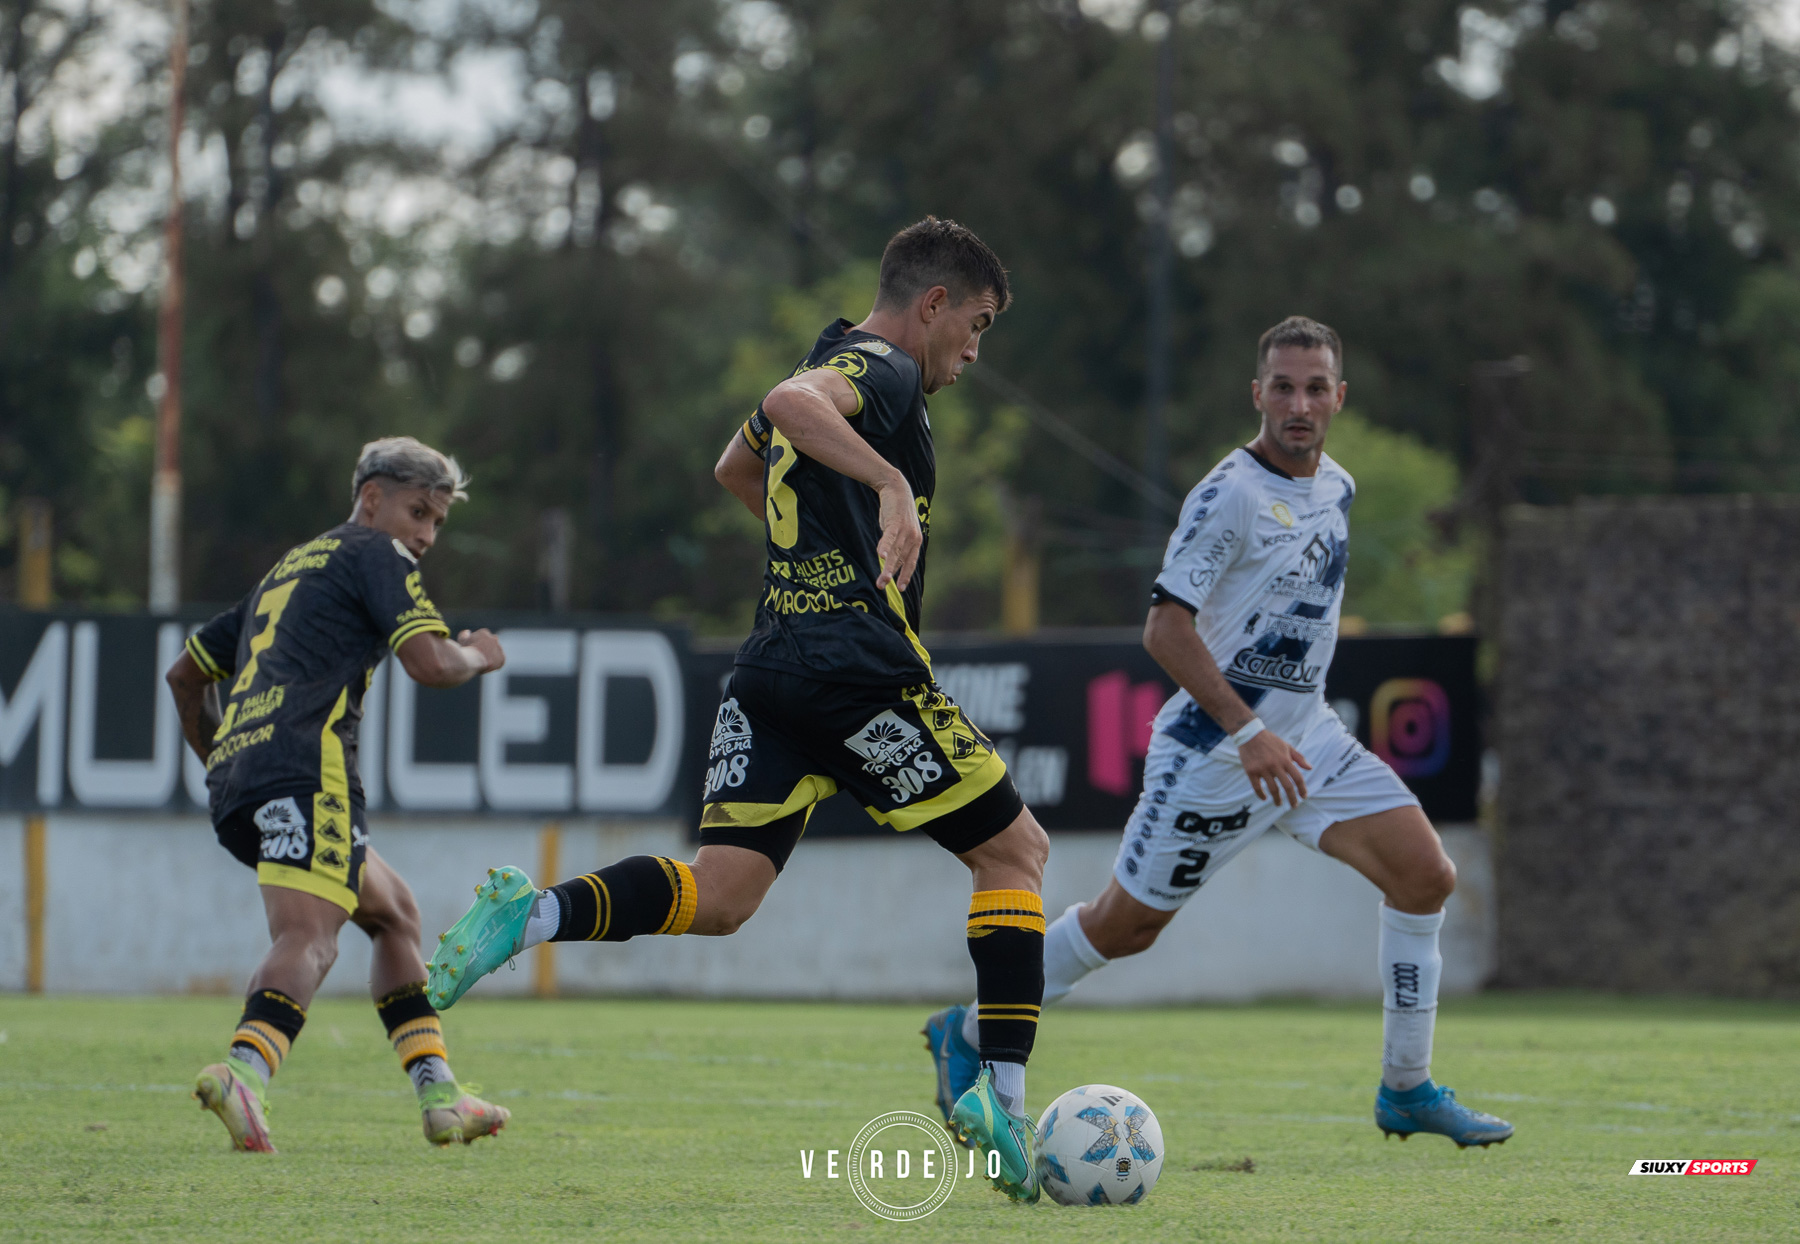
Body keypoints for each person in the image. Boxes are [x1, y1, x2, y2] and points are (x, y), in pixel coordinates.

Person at [422, 218, 1052, 1201]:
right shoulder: (878, 369)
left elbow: (735, 463)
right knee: (1015, 853)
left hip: (771, 666)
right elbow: (786, 402)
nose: (974, 351)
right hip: (855, 667)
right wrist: (889, 486)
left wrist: (828, 544)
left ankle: (530, 911)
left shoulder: (836, 351)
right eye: (974, 326)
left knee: (722, 894)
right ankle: (1003, 1101)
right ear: (932, 304)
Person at [925, 316, 1514, 1149]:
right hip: (1216, 753)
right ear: (1258, 394)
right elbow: (1164, 629)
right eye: (1284, 386)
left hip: (1306, 739)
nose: (1299, 403)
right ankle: (971, 1030)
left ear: (1339, 398)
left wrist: (1281, 725)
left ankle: (1407, 1089)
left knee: (1426, 877)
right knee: (1123, 928)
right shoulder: (1228, 494)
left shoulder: (1339, 488)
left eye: (1316, 388)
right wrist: (1247, 732)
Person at [166, 437, 512, 1153]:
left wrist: (223, 754)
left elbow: (184, 676)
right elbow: (430, 662)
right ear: (370, 497)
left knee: (393, 912)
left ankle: (440, 1095)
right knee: (311, 939)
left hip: (242, 777)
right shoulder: (373, 554)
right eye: (417, 511)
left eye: (438, 522)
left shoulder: (289, 567)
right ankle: (244, 1071)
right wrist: (480, 654)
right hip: (305, 766)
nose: (424, 535)